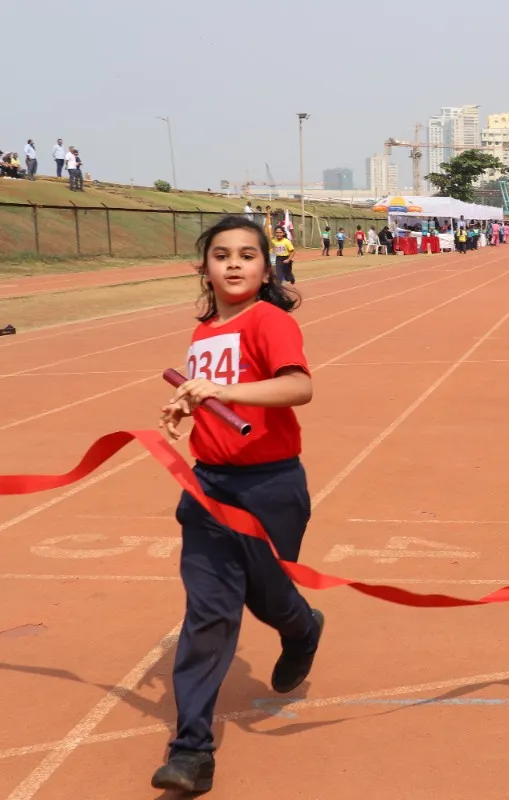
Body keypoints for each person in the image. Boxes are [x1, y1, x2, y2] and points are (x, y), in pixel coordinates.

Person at [152, 215, 324, 794]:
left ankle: (301, 628)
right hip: (208, 487)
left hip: (270, 488)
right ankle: (191, 752)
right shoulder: (204, 332)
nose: (233, 264)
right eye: (220, 254)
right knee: (209, 614)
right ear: (204, 268)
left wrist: (220, 390)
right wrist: (186, 404)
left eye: (247, 255)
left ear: (266, 268)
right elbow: (213, 396)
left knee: (268, 596)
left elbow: (298, 386)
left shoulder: (269, 321)